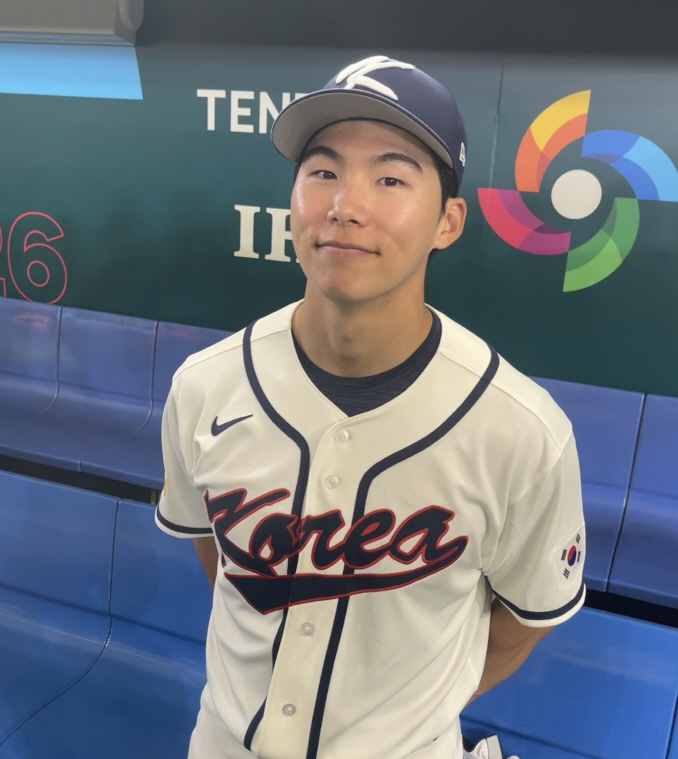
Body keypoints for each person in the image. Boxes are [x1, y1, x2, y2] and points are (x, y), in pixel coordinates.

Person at [156, 55, 586, 759]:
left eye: (390, 178)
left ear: (448, 222)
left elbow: (526, 619)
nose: (344, 206)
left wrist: (408, 716)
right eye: (323, 171)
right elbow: (220, 556)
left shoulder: (523, 431)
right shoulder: (204, 386)